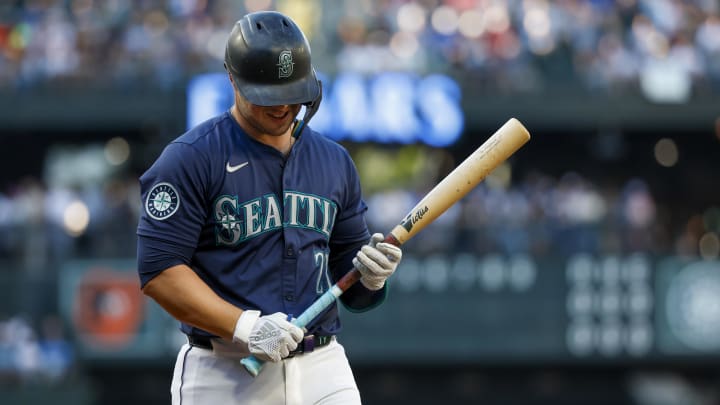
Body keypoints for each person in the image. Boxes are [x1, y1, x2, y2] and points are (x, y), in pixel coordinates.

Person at [136, 10, 402, 405]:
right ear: (232, 79)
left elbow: (352, 283)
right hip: (224, 370)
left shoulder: (334, 160)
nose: (282, 108)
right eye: (269, 97)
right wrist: (246, 326)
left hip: (322, 367)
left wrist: (371, 277)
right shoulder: (191, 158)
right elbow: (159, 270)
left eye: (294, 95)